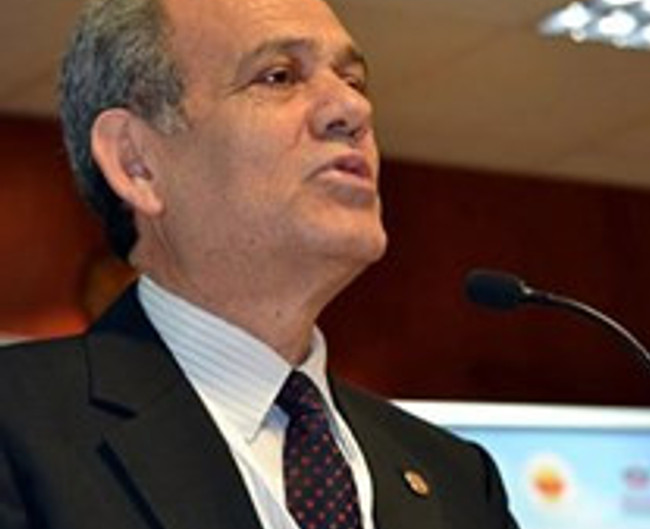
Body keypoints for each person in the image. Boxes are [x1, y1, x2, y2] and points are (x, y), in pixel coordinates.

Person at [0, 0, 519, 528]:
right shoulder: (18, 428)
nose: (352, 109)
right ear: (137, 161)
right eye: (278, 76)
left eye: (354, 81)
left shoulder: (459, 481)